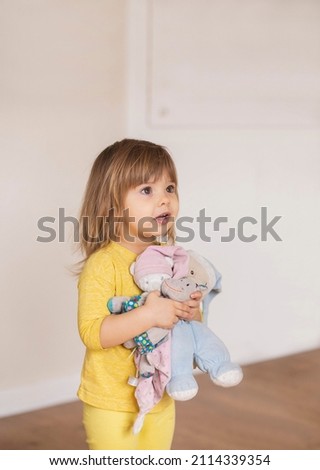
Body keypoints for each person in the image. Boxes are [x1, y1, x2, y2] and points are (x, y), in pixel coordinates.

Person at [77, 138, 202, 450]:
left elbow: (186, 328)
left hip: (160, 397)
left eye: (170, 188)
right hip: (111, 403)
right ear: (112, 205)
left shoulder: (172, 259)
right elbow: (93, 333)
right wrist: (148, 314)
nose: (164, 200)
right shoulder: (104, 264)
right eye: (147, 190)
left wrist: (191, 312)